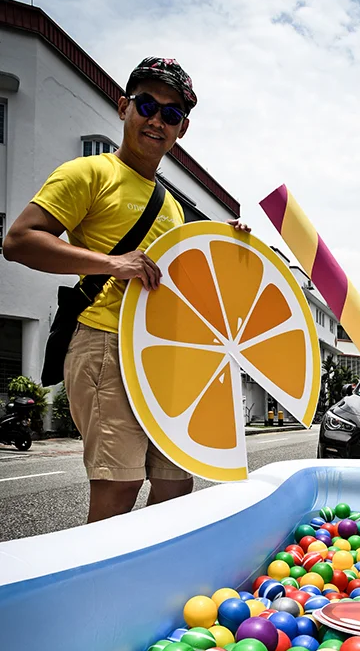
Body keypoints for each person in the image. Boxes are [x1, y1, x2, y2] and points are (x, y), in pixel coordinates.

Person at [4, 57, 249, 523]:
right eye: (147, 105)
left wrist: (230, 247)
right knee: (119, 485)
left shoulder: (175, 210)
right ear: (124, 107)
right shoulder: (89, 173)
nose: (157, 119)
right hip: (105, 343)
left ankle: (148, 584)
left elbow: (186, 284)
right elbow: (19, 241)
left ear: (182, 128)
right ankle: (95, 593)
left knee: (178, 483)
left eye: (171, 113)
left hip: (167, 358)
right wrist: (111, 263)